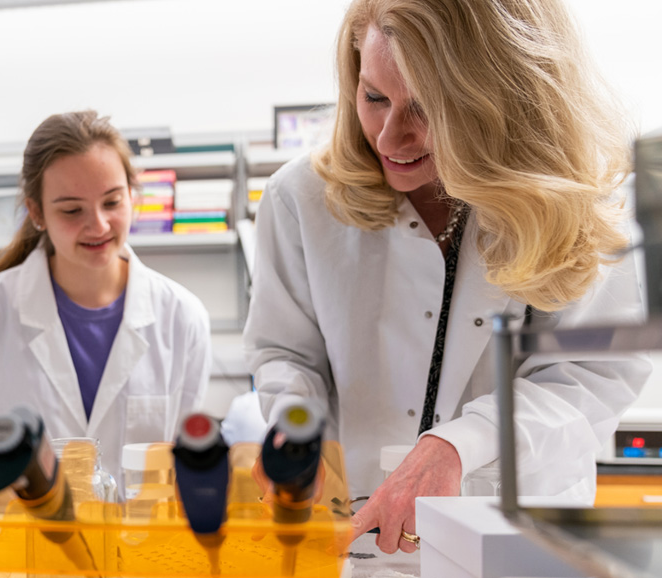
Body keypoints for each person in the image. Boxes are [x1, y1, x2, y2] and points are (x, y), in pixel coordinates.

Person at [243, 0, 651, 555]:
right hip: (354, 535)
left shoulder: (579, 203)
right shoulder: (301, 198)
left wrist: (458, 445)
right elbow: (286, 352)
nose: (389, 139)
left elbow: (589, 377)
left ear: (508, 98)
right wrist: (296, 423)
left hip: (517, 533)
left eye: (428, 109)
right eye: (374, 98)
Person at [0, 110, 211, 491]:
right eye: (72, 210)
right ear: (36, 212)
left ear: (133, 196)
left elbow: (181, 467)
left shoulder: (183, 319)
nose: (98, 225)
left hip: (139, 544)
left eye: (112, 202)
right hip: (25, 545)